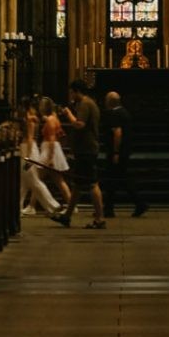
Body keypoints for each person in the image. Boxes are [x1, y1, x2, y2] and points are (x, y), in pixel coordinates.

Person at [62, 77, 104, 227]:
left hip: (87, 149)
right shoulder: (87, 103)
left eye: (72, 93)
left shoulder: (85, 104)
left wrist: (68, 115)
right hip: (84, 148)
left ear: (77, 91)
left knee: (92, 183)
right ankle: (67, 216)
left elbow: (80, 124)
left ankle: (100, 219)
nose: (71, 96)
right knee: (78, 185)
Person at [100, 91, 148, 218]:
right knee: (118, 179)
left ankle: (137, 203)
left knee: (114, 179)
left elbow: (117, 133)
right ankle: (109, 208)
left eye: (106, 99)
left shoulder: (115, 114)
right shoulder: (125, 113)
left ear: (110, 101)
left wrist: (115, 152)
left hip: (117, 153)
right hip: (124, 151)